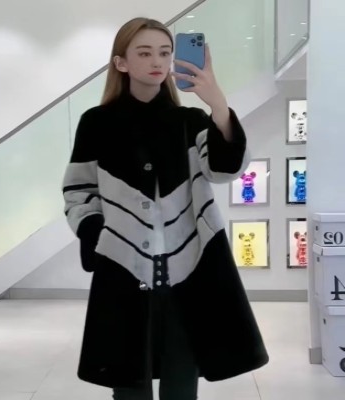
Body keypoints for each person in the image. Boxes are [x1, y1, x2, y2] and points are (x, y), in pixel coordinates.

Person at [62, 17, 268, 400]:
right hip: (123, 273)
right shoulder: (97, 123)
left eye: (164, 52)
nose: (157, 61)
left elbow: (225, 170)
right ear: (121, 62)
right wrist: (98, 236)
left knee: (181, 385)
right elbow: (79, 190)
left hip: (187, 275)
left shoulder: (190, 121)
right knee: (129, 388)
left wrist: (218, 103)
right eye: (144, 53)